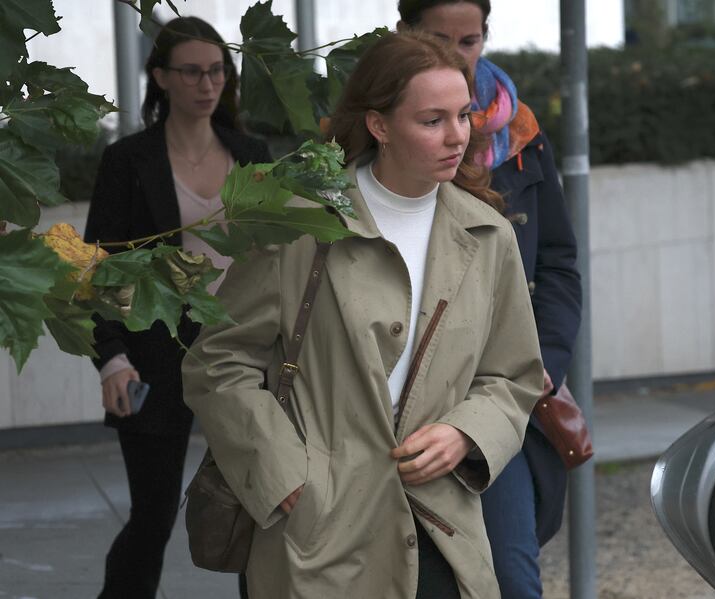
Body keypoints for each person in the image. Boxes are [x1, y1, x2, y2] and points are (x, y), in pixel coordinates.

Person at [182, 31, 543, 599]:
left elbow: (513, 376)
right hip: (316, 536)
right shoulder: (300, 223)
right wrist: (284, 477)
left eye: (464, 115)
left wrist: (464, 432)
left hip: (438, 530)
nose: (456, 136)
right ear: (379, 125)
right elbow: (218, 362)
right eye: (432, 121)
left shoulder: (488, 235)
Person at [398, 2, 583, 598]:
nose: (457, 54)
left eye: (470, 39)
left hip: (499, 395)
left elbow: (557, 263)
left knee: (510, 578)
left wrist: (542, 368)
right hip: (393, 405)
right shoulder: (348, 141)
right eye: (438, 38)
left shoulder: (521, 134)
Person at [83, 16, 271, 599]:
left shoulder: (252, 153)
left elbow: (278, 261)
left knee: (260, 512)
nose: (206, 83)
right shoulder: (128, 160)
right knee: (154, 517)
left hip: (243, 351)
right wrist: (112, 357)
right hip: (154, 354)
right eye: (191, 71)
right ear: (161, 76)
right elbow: (100, 267)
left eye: (216, 70)